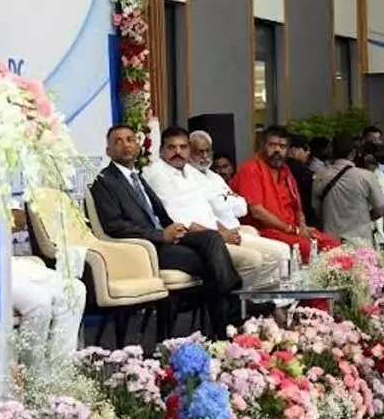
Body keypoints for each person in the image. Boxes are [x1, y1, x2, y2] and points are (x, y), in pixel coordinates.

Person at [89, 125, 241, 339]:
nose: (125, 145)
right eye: (118, 141)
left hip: (164, 238)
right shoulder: (104, 182)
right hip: (146, 248)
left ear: (138, 146)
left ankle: (226, 315)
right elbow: (114, 226)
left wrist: (174, 228)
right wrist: (161, 235)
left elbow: (159, 214)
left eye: (130, 139)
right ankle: (226, 323)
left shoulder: (136, 178)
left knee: (211, 238)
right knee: (212, 262)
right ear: (108, 151)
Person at [143, 126, 279, 292]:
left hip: (216, 234)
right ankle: (239, 307)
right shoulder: (158, 174)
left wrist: (224, 232)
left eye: (183, 147)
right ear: (161, 150)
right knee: (253, 260)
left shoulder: (189, 172)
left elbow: (209, 212)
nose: (178, 152)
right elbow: (181, 221)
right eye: (172, 147)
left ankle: (257, 309)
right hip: (192, 241)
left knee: (276, 252)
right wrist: (220, 236)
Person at [231, 125, 340, 262]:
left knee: (332, 243)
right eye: (272, 145)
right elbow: (257, 212)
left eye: (282, 146)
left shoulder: (285, 170)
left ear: (288, 150)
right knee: (306, 248)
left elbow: (297, 205)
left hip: (291, 230)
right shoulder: (250, 169)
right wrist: (293, 230)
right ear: (262, 145)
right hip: (265, 230)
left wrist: (302, 226)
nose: (277, 150)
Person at [313, 133, 384, 246]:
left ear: (332, 153)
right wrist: (364, 218)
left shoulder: (320, 177)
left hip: (331, 243)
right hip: (361, 243)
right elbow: (379, 210)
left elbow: (317, 211)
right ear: (353, 154)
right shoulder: (366, 176)